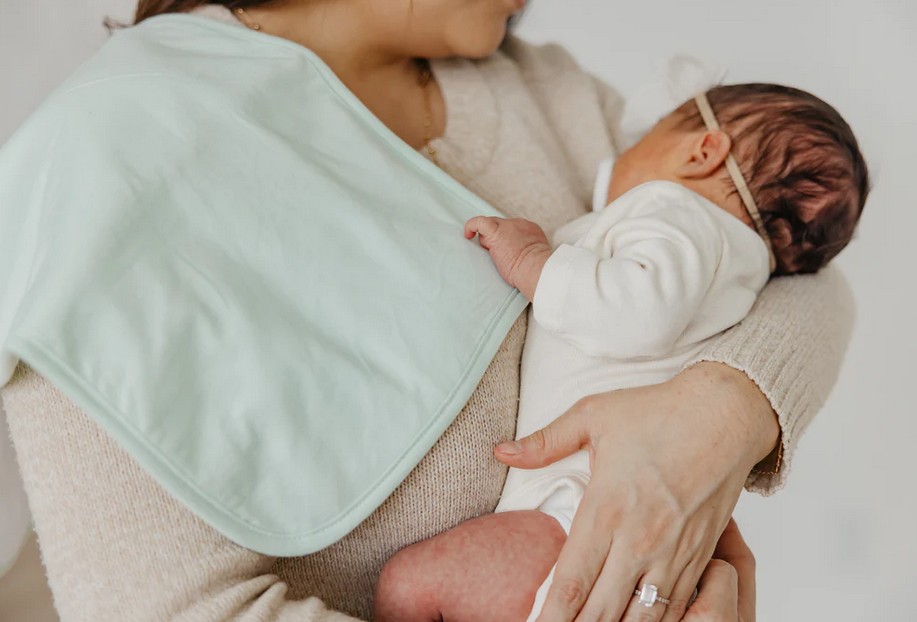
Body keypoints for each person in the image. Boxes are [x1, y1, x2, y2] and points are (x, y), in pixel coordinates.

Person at [1, 2, 855, 621]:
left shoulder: (542, 90)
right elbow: (173, 610)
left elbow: (806, 278)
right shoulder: (110, 163)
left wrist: (713, 418)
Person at [373, 85, 868, 622]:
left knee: (410, 589)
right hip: (608, 528)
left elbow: (640, 311)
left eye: (656, 126)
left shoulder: (676, 211)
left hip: (577, 514)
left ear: (704, 151)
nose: (627, 142)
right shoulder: (739, 268)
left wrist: (537, 262)